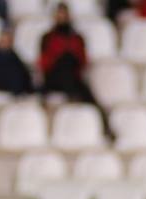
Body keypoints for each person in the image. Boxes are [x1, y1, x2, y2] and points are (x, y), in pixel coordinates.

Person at [38, 3, 113, 140]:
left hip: (73, 77)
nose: (61, 17)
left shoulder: (77, 38)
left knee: (93, 99)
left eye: (64, 14)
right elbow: (44, 63)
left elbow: (83, 62)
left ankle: (107, 129)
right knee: (63, 62)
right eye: (59, 14)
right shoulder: (47, 38)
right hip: (53, 78)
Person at [0, 27, 33, 97]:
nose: (5, 44)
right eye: (3, 41)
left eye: (8, 41)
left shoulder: (13, 54)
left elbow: (22, 70)